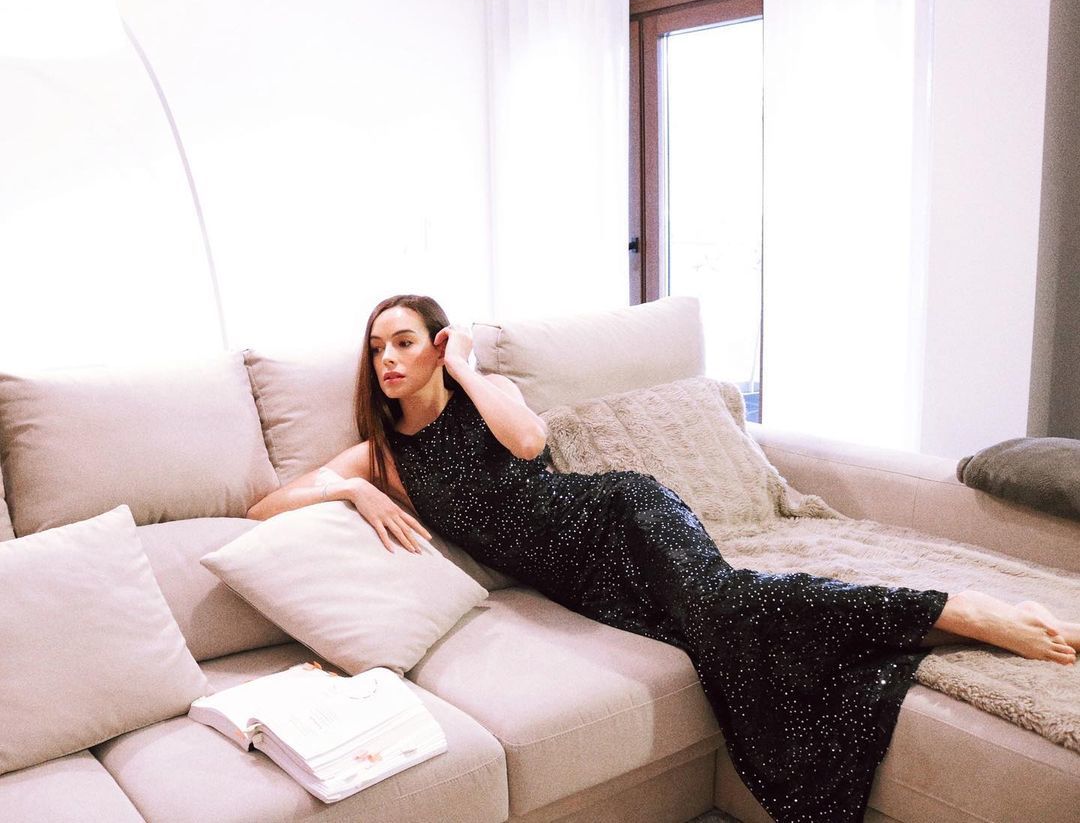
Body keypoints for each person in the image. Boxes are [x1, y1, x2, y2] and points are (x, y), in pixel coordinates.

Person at [248, 293, 1078, 823]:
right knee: (725, 639)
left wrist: (465, 366)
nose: (387, 361)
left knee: (726, 603)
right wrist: (352, 490)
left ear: (436, 345)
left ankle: (953, 608)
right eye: (376, 349)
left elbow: (529, 441)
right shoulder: (384, 455)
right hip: (589, 586)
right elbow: (263, 505)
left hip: (620, 516)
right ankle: (914, 632)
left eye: (403, 342)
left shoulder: (482, 396)